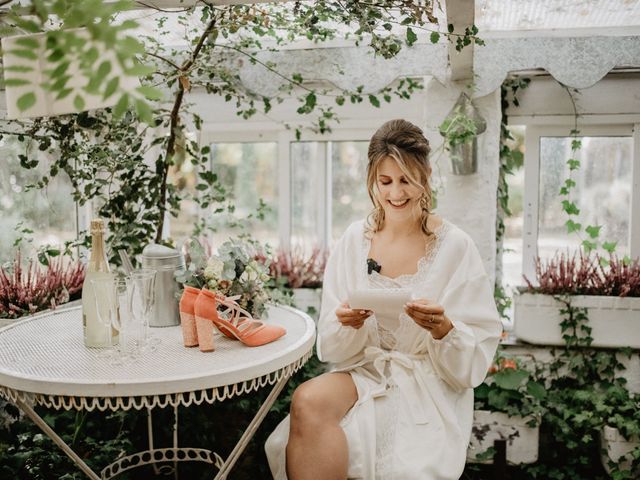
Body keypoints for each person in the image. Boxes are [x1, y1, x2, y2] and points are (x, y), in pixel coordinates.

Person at [265, 119, 503, 479]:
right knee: (307, 400)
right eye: (385, 182)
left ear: (426, 175)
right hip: (366, 369)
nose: (395, 194)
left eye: (406, 180)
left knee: (406, 465)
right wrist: (347, 323)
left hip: (428, 379)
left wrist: (444, 329)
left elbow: (476, 354)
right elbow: (331, 346)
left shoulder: (456, 247)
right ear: (372, 181)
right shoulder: (353, 241)